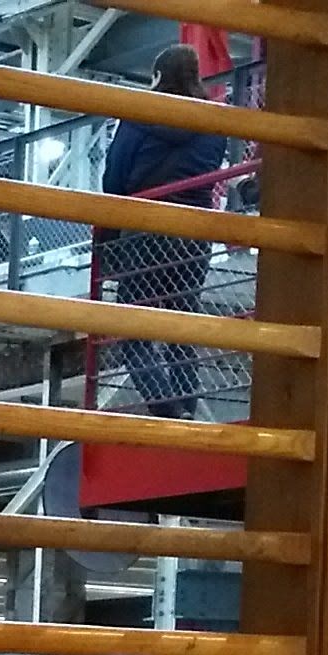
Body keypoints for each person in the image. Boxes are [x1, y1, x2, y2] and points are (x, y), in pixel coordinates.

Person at [97, 44, 230, 418]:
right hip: (194, 234)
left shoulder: (139, 116)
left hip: (146, 231)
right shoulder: (215, 124)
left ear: (157, 77)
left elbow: (115, 178)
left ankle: (167, 409)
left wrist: (108, 238)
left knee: (134, 334)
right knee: (181, 328)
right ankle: (187, 408)